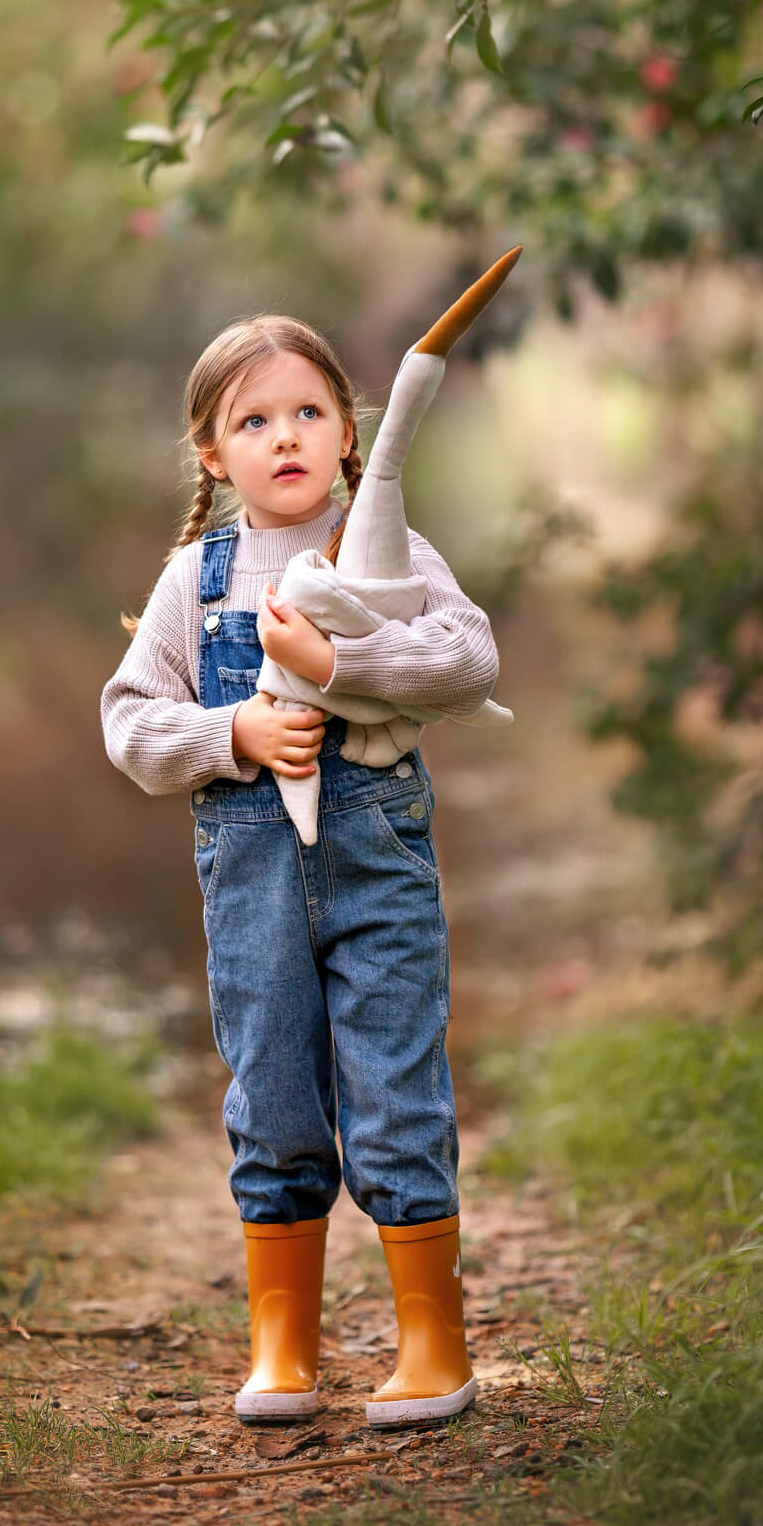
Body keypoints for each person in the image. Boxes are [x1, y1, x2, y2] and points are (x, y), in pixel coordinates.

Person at [100, 313, 501, 1427]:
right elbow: (129, 723)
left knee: (393, 1088)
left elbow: (469, 659)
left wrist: (346, 659)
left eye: (309, 413)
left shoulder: (388, 552)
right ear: (214, 455)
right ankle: (283, 1345)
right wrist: (233, 736)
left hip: (378, 871)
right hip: (255, 883)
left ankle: (432, 1341)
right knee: (272, 1095)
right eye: (255, 420)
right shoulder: (198, 579)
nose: (286, 437)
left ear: (347, 430)